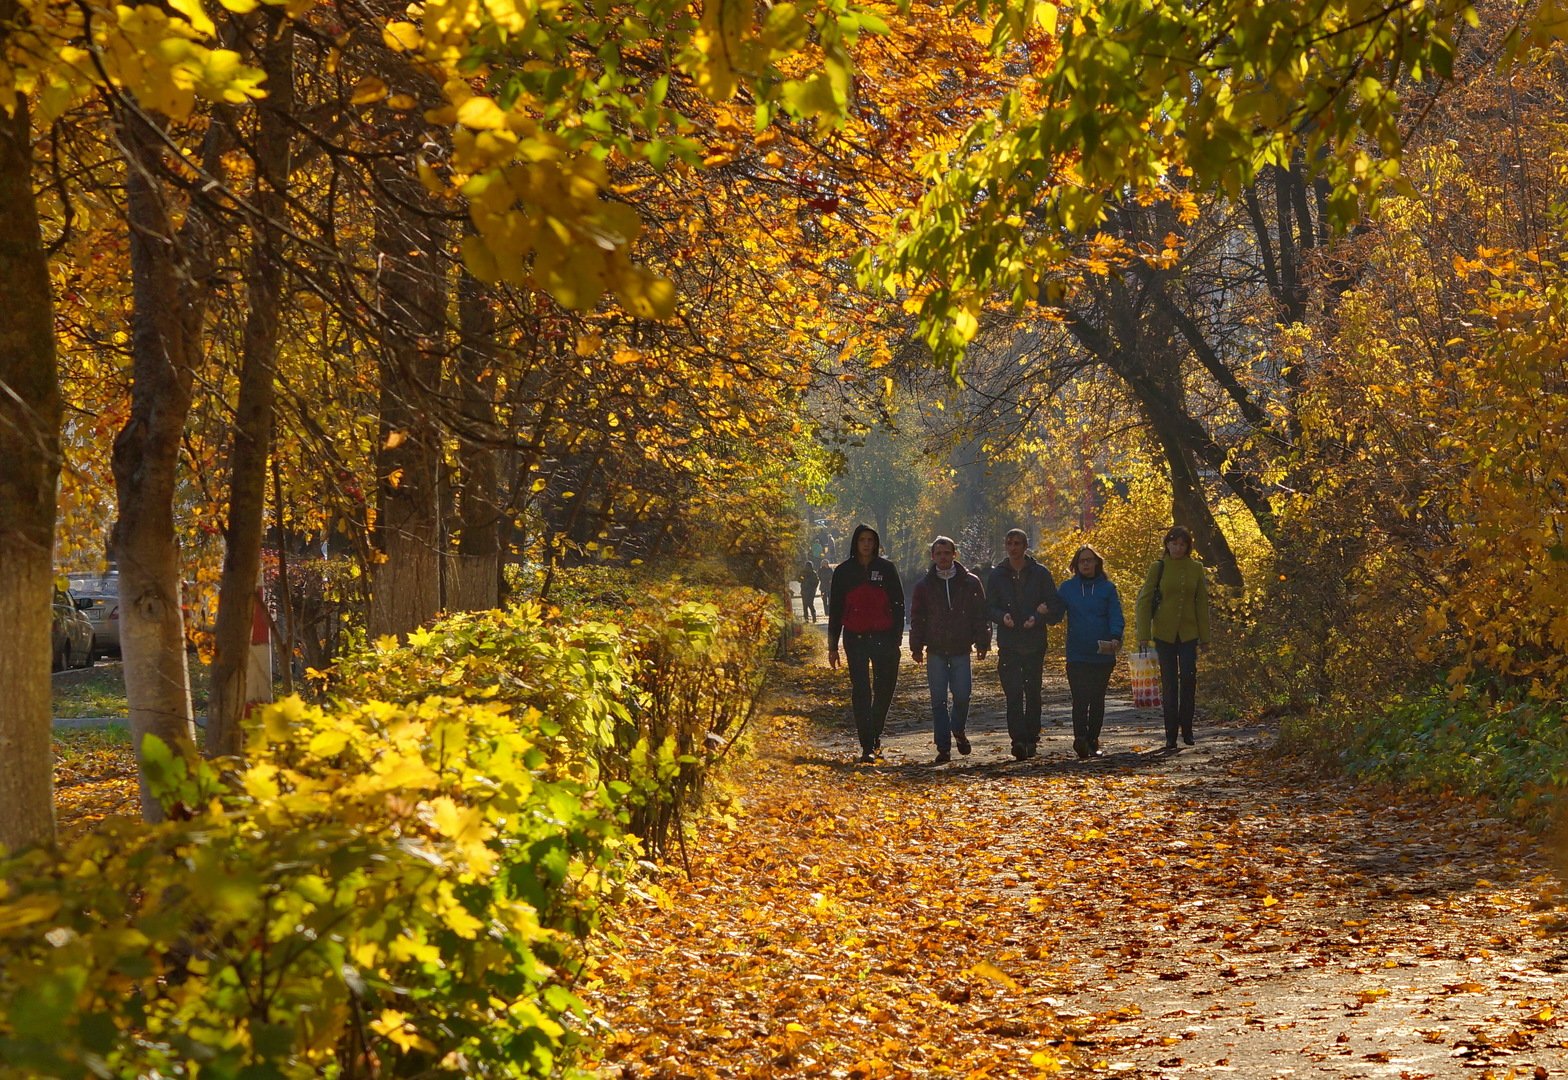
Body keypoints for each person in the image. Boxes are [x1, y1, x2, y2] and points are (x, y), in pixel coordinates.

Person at [909, 536, 991, 763]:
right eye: (939, 554)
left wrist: (982, 642)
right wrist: (916, 646)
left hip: (961, 648)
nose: (943, 557)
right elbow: (917, 617)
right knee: (938, 700)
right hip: (935, 649)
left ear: (954, 554)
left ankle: (958, 728)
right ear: (933, 557)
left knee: (963, 695)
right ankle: (943, 746)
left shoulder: (970, 582)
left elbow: (980, 614)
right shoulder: (924, 586)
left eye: (947, 553)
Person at [828, 524, 905, 764]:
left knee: (884, 688)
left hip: (884, 638)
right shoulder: (843, 572)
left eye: (870, 539)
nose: (866, 544)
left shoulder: (886, 569)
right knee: (861, 691)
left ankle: (875, 731)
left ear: (876, 543)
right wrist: (832, 646)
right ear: (855, 542)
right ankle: (867, 745)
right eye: (862, 539)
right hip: (856, 638)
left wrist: (896, 637)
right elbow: (836, 610)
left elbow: (898, 604)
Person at [986, 528, 1065, 760]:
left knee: (1032, 691)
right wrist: (1002, 617)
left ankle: (1031, 738)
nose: (1013, 547)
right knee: (1013, 691)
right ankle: (1017, 739)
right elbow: (988, 606)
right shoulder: (997, 574)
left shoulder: (1040, 573)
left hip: (1034, 642)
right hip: (1009, 642)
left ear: (1025, 546)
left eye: (1017, 543)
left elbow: (1055, 605)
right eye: (1009, 543)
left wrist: (1038, 616)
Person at [1135, 525, 1211, 750]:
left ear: (1188, 547)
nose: (1178, 548)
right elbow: (1144, 601)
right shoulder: (1157, 568)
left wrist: (1204, 638)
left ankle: (1187, 729)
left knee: (1188, 679)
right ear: (1167, 544)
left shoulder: (1196, 568)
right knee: (1169, 683)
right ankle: (1170, 734)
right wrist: (1143, 635)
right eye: (1174, 543)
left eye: (1182, 544)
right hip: (1164, 634)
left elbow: (1201, 604)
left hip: (1188, 633)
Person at [1059, 545, 1124, 760]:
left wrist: (1116, 636)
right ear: (1076, 566)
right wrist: (1042, 612)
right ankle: (1080, 738)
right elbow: (1055, 611)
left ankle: (1092, 739)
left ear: (1097, 563)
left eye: (1089, 560)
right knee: (1080, 697)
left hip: (1102, 654)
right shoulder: (1068, 588)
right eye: (1081, 561)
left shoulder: (1107, 588)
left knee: (1097, 698)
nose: (1086, 564)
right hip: (1077, 653)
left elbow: (1115, 614)